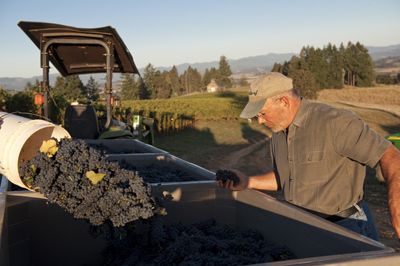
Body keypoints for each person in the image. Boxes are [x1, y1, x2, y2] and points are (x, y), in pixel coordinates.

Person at [219, 72, 400, 240]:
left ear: (284, 102)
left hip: (346, 228)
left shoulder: (336, 122)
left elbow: (390, 156)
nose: (259, 121)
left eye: (262, 113)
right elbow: (287, 178)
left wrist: (395, 203)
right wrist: (249, 182)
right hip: (303, 227)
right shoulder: (279, 133)